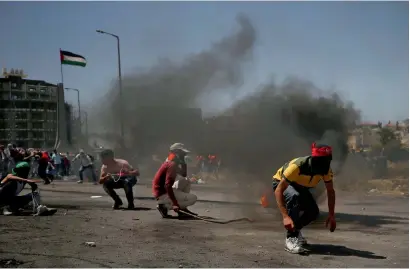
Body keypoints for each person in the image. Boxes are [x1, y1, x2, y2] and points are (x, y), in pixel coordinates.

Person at [273, 143, 337, 254]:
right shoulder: (298, 166)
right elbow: (279, 189)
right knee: (294, 196)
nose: (325, 165)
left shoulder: (325, 170)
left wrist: (331, 215)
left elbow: (330, 192)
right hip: (280, 183)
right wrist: (285, 217)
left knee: (313, 212)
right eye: (322, 161)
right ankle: (291, 238)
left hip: (298, 185)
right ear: (314, 159)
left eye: (327, 161)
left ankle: (295, 232)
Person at [152, 143, 198, 218]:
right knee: (193, 198)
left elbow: (183, 174)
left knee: (186, 181)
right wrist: (175, 204)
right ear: (176, 152)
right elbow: (168, 185)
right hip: (162, 193)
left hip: (164, 190)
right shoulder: (172, 164)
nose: (184, 154)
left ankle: (183, 209)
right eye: (182, 153)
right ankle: (165, 206)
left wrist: (183, 161)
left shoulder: (172, 160)